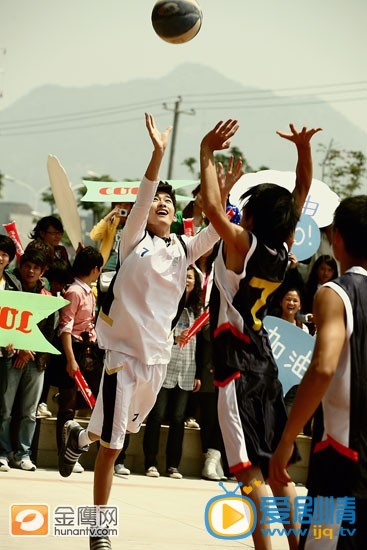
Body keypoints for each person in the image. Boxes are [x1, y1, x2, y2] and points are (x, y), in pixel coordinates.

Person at [57, 113, 237, 550]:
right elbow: (142, 197)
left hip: (157, 361)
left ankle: (76, 437)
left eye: (169, 202)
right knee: (114, 448)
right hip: (121, 358)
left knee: (107, 434)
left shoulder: (182, 247)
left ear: (176, 214)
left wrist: (223, 188)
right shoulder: (133, 240)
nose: (162, 204)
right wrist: (158, 154)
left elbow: (216, 227)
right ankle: (98, 529)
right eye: (156, 200)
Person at [200, 118, 321, 549]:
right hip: (265, 363)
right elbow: (302, 191)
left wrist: (206, 151)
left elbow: (214, 210)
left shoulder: (243, 245)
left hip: (235, 364)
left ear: (250, 218)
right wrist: (303, 151)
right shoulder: (283, 247)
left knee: (249, 471)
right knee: (276, 466)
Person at [269, 195, 367, 548]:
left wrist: (286, 439)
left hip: (343, 457)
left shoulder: (335, 294)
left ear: (336, 238)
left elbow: (323, 367)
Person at [143, 265, 202, 479]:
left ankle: (173, 465)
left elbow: (202, 344)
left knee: (178, 419)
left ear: (196, 283)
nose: (187, 280)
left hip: (186, 369)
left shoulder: (198, 309)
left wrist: (199, 374)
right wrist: (173, 339)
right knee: (157, 414)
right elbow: (156, 332)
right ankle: (150, 462)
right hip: (164, 366)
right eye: (184, 276)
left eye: (190, 277)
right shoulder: (166, 304)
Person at [0, 249, 55, 472]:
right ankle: (3, 452)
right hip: (11, 357)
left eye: (36, 267)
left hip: (36, 361)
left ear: (43, 271)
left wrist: (33, 352)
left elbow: (50, 331)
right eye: (27, 266)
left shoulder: (47, 297)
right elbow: (6, 322)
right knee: (4, 409)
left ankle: (24, 453)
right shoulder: (10, 289)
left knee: (29, 411)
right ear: (21, 266)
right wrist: (18, 348)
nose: (30, 271)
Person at [56, 246, 104, 474]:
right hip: (74, 348)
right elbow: (65, 328)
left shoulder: (89, 291)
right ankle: (64, 453)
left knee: (86, 401)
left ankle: (73, 449)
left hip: (88, 350)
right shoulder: (74, 291)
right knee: (68, 405)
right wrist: (70, 359)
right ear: (94, 269)